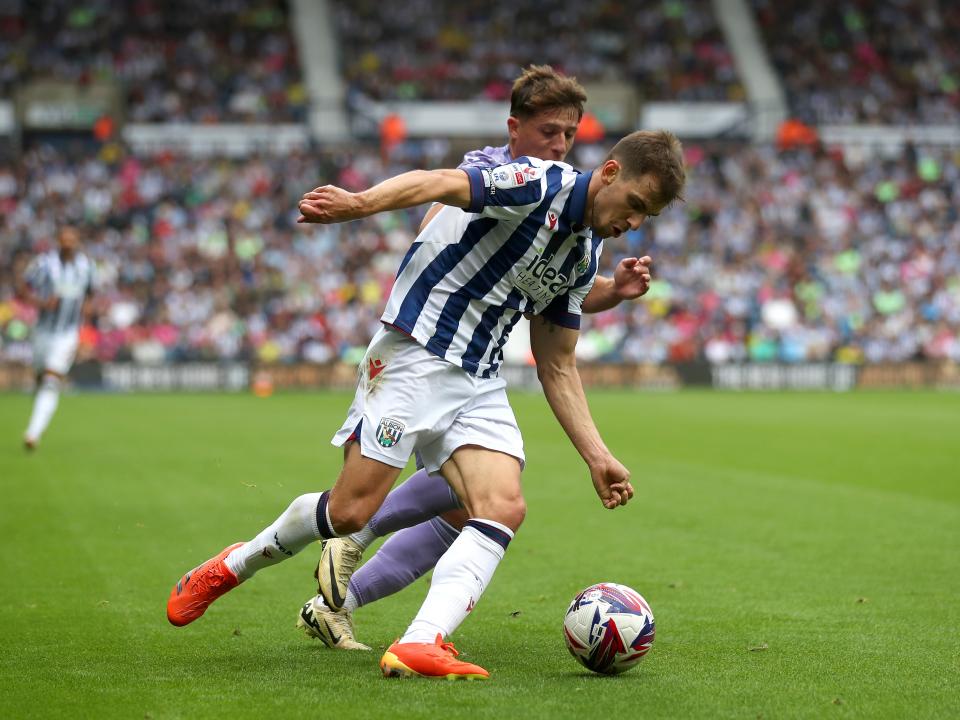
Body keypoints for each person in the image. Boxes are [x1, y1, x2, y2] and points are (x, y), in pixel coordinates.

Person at [166, 129, 686, 680]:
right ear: (608, 173)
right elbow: (443, 182)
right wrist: (357, 204)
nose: (633, 222)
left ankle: (420, 642)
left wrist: (597, 456)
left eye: (645, 216)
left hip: (479, 378)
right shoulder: (540, 182)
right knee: (348, 512)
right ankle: (232, 565)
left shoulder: (585, 255)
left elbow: (557, 362)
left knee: (502, 506)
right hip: (417, 353)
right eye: (634, 204)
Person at [296, 65, 655, 651]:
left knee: (477, 505)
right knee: (453, 496)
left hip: (472, 357)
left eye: (569, 134)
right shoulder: (500, 173)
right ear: (515, 129)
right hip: (429, 346)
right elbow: (438, 188)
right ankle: (352, 547)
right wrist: (359, 204)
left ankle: (339, 601)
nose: (560, 145)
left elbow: (543, 284)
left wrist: (609, 293)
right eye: (549, 132)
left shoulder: (559, 202)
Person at [18, 226, 94, 450]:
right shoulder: (43, 264)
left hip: (67, 333)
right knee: (42, 376)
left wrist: (84, 329)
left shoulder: (86, 266)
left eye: (72, 240)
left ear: (78, 242)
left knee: (52, 380)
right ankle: (38, 413)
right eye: (64, 240)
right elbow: (23, 288)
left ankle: (33, 433)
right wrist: (41, 303)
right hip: (42, 330)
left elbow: (90, 296)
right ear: (58, 241)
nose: (68, 244)